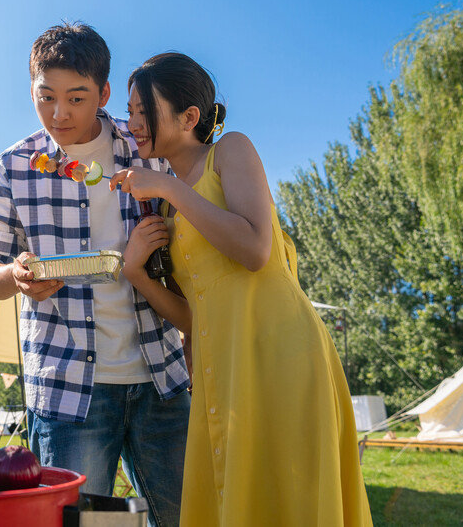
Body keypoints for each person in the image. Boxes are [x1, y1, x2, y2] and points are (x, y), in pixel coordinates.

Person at [112, 52, 373, 526]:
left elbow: (254, 248)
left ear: (189, 117)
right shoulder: (168, 210)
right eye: (129, 111)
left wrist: (170, 190)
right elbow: (193, 317)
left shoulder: (228, 152)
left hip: (280, 355)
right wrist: (138, 276)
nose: (131, 123)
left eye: (141, 110)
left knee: (291, 492)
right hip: (222, 369)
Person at [0, 23, 192, 526]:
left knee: (184, 517)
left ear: (104, 93)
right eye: (45, 97)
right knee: (85, 523)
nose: (59, 113)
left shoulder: (145, 150)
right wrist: (16, 275)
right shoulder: (10, 168)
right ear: (31, 90)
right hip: (70, 388)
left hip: (161, 375)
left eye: (76, 98)